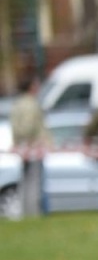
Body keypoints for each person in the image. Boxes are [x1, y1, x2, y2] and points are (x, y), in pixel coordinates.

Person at [12, 73, 48, 216]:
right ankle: (33, 212)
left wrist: (18, 143)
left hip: (22, 147)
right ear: (31, 87)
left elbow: (15, 127)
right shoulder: (31, 104)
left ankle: (25, 211)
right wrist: (31, 141)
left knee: (25, 182)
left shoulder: (17, 103)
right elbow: (29, 126)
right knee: (34, 183)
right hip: (33, 147)